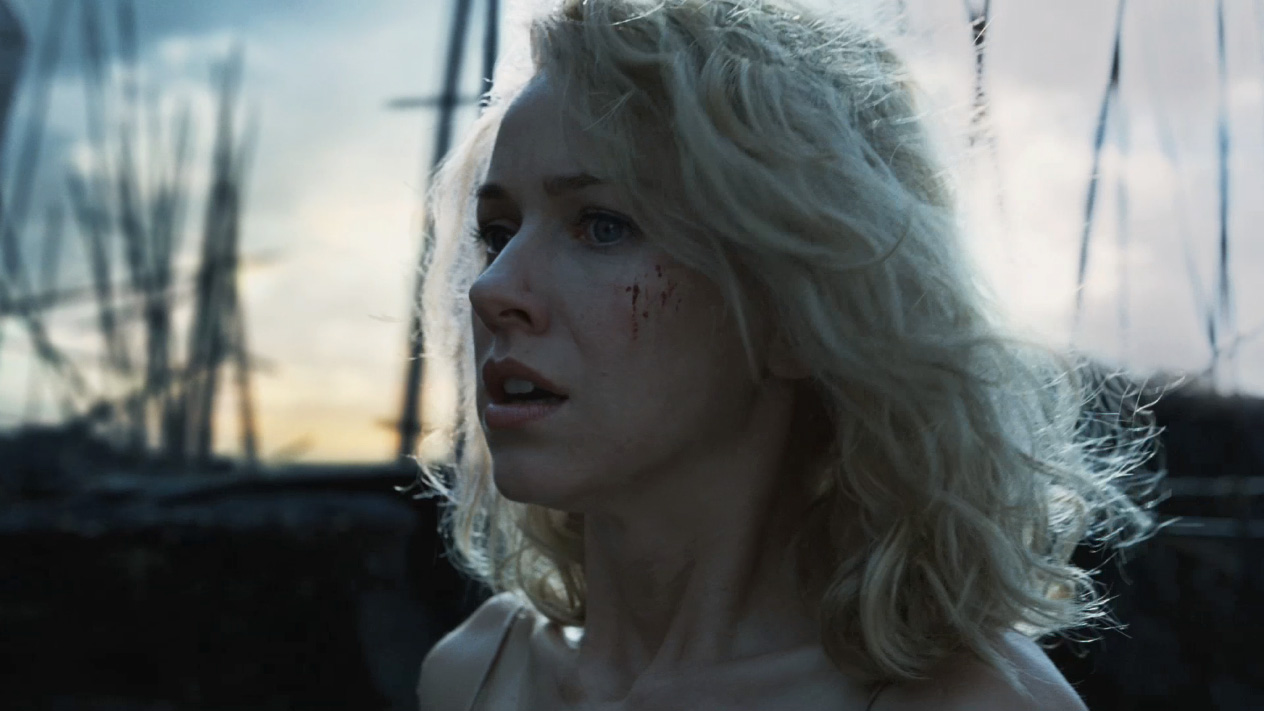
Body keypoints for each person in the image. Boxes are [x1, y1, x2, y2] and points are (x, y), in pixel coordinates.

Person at [408, 0, 1162, 708]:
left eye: (602, 225)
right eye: (499, 232)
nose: (492, 288)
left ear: (797, 313)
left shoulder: (972, 702)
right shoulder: (475, 672)